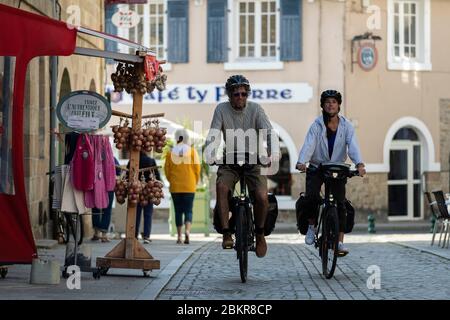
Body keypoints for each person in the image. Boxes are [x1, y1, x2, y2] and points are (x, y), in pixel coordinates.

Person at [204, 75, 279, 258]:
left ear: (247, 94)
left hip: (254, 161)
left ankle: (260, 234)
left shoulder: (256, 109)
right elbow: (214, 134)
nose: (240, 97)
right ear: (229, 95)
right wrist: (211, 153)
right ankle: (227, 232)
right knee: (222, 187)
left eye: (244, 94)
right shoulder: (221, 109)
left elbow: (269, 132)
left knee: (262, 197)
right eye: (236, 94)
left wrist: (273, 152)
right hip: (230, 161)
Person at [296, 89, 366, 256]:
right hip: (317, 166)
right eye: (327, 102)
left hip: (337, 167)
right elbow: (309, 144)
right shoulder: (317, 125)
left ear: (339, 105)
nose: (331, 105)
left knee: (340, 204)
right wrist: (302, 161)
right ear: (323, 105)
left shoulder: (347, 126)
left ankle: (340, 242)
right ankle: (312, 227)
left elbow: (353, 146)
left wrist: (360, 164)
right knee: (312, 197)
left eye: (334, 102)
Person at [164, 128, 201, 244]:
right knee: (188, 210)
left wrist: (172, 180)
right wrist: (194, 181)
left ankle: (179, 236)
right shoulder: (192, 152)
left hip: (175, 186)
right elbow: (197, 169)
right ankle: (188, 232)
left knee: (178, 211)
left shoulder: (170, 153)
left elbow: (167, 170)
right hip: (189, 186)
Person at [129, 151, 161, 244]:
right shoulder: (150, 160)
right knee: (148, 214)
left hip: (136, 191)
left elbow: (128, 175)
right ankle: (146, 236)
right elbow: (157, 176)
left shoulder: (132, 161)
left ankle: (134, 235)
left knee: (136, 213)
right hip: (149, 190)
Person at [91, 157, 120, 242]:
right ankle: (103, 235)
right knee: (107, 209)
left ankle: (96, 233)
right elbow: (118, 173)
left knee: (95, 208)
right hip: (108, 187)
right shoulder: (113, 159)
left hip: (97, 186)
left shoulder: (95, 158)